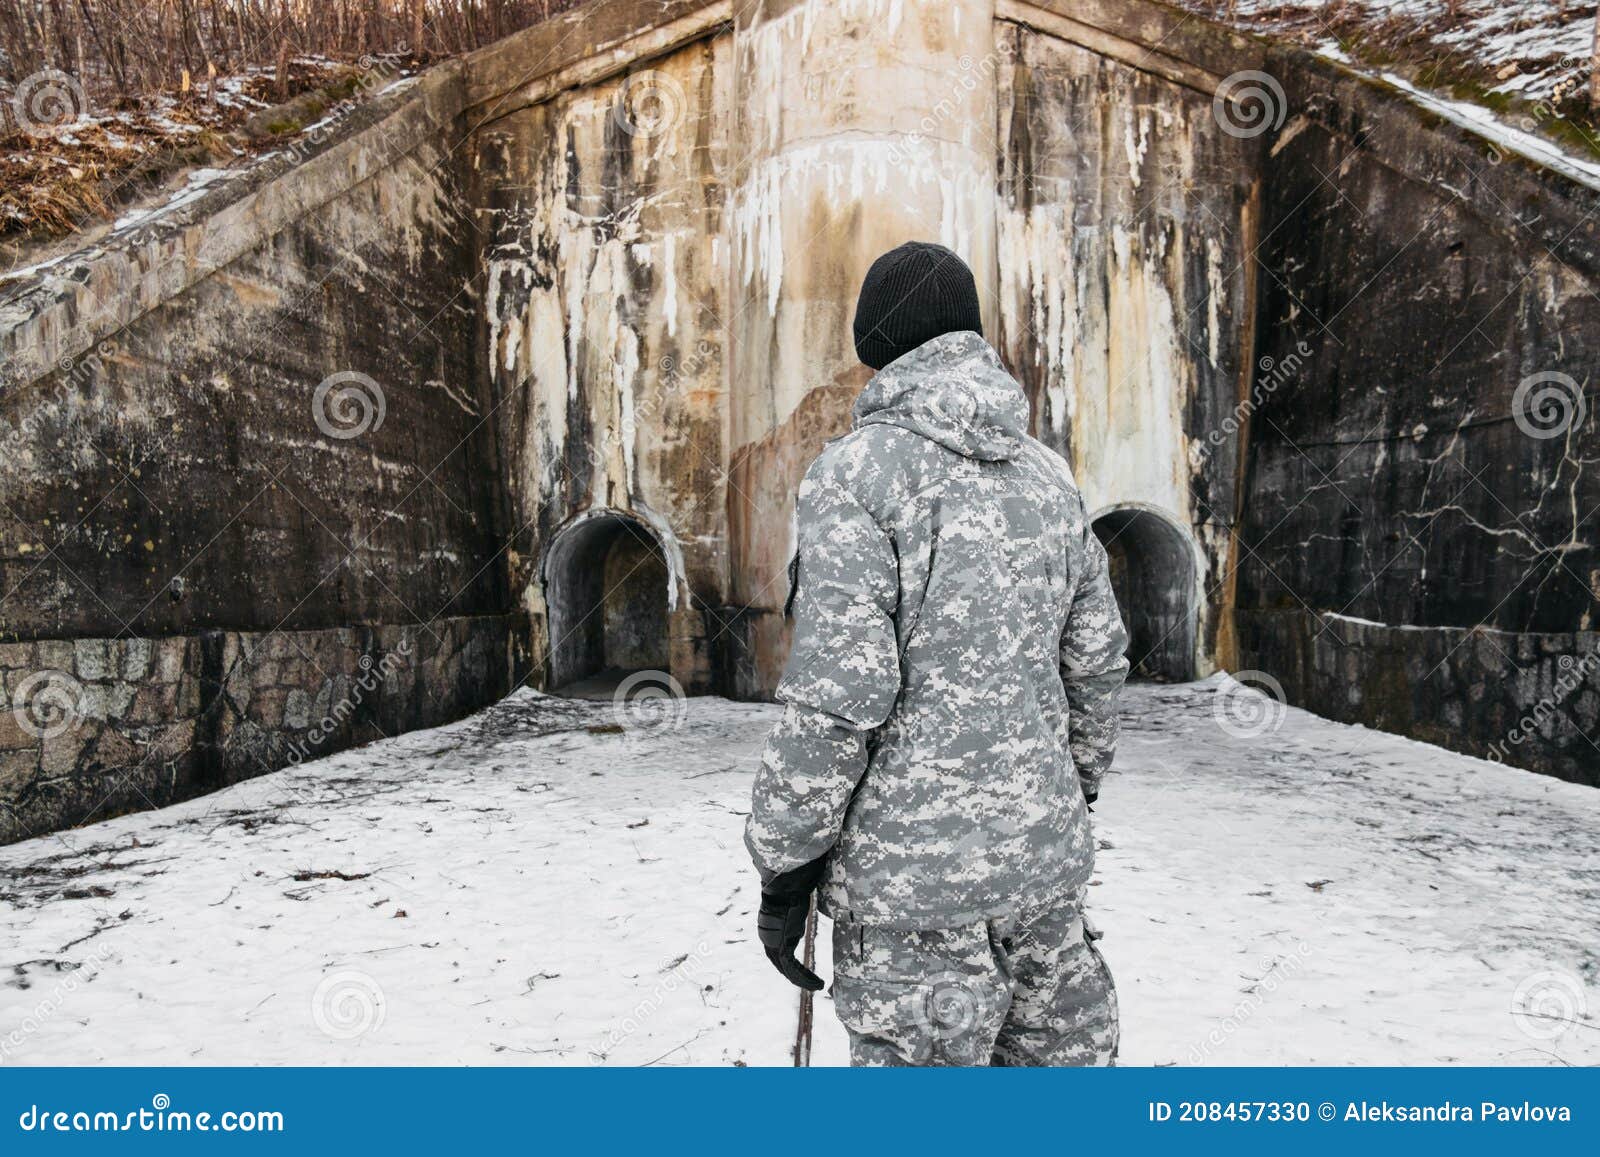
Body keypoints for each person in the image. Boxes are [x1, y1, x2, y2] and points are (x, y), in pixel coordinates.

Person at [744, 241, 1129, 1066]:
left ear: (874, 342)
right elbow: (1096, 659)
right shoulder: (1049, 478)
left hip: (910, 900)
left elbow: (836, 701)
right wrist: (1069, 789)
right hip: (1042, 878)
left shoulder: (854, 476)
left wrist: (786, 865)